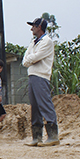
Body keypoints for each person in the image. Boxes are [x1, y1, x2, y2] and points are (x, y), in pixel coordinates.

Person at [22, 17, 59, 146]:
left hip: (41, 75)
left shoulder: (47, 41)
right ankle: (36, 137)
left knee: (44, 103)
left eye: (34, 26)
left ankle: (53, 135)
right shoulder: (34, 42)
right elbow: (26, 59)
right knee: (35, 107)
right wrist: (30, 59)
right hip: (32, 75)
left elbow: (35, 57)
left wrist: (30, 59)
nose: (32, 28)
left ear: (39, 27)